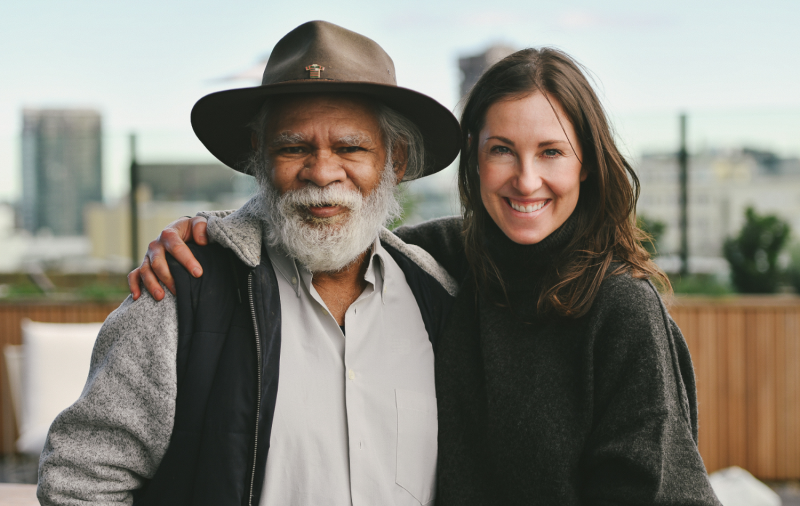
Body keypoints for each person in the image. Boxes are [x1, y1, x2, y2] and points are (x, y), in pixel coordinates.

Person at [136, 47, 723, 505]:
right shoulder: (439, 258)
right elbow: (324, 219)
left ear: (588, 164)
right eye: (501, 150)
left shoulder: (620, 307)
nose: (525, 179)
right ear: (473, 159)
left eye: (551, 152)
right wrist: (212, 236)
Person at [38, 20, 461, 506]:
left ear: (396, 159)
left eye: (350, 148)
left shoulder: (441, 300)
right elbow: (79, 481)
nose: (322, 173)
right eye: (293, 147)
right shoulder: (182, 294)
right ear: (259, 157)